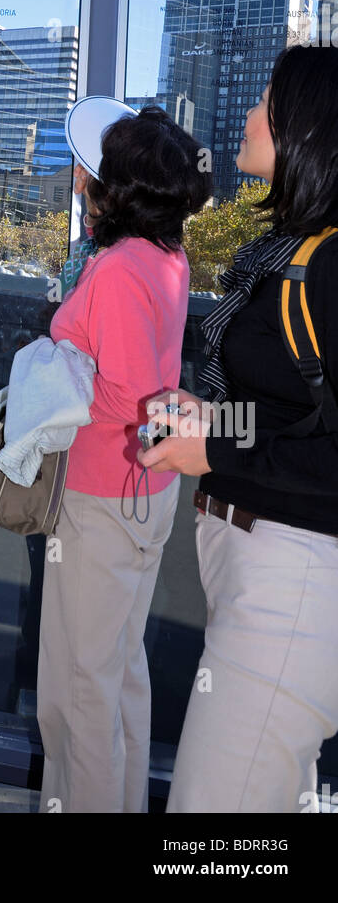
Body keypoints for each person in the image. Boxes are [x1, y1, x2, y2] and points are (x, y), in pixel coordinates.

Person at [139, 44, 338, 813]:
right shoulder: (292, 249)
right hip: (257, 567)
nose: (248, 115)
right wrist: (214, 419)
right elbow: (303, 418)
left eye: (265, 102)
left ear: (310, 129)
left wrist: (215, 443)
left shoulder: (326, 264)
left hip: (294, 581)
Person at [37, 101, 211, 813]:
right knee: (115, 681)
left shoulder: (116, 269)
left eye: (95, 174)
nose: (84, 183)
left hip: (102, 497)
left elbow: (133, 399)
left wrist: (54, 383)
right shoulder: (166, 258)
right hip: (141, 498)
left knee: (77, 694)